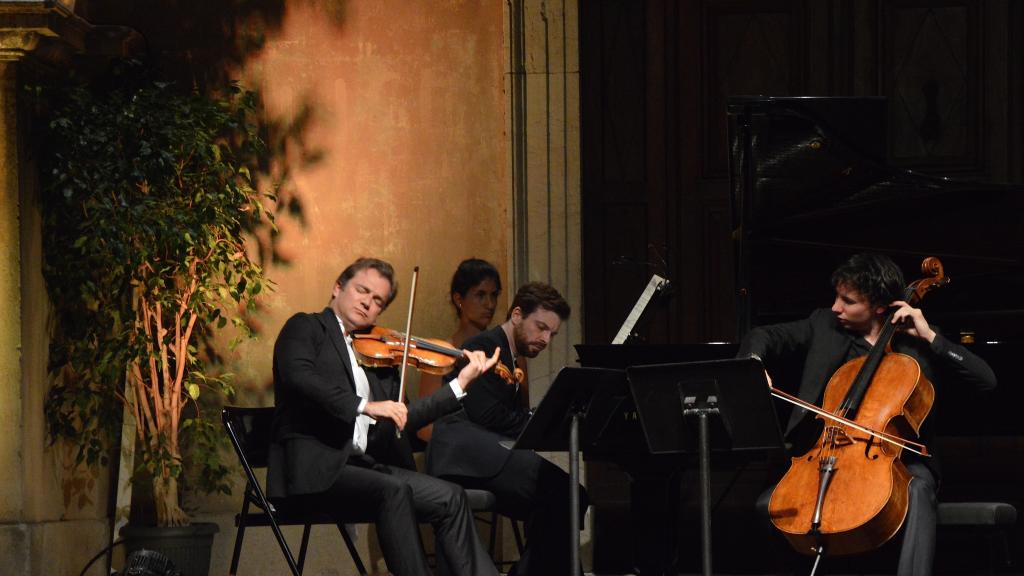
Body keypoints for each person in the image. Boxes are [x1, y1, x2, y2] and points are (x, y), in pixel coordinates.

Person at [739, 253, 996, 576]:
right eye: (836, 297)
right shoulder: (823, 325)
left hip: (900, 460)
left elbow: (986, 380)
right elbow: (762, 336)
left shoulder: (918, 341)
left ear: (878, 306)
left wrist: (931, 337)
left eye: (848, 301)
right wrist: (753, 363)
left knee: (917, 491)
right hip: (826, 457)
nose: (836, 307)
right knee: (767, 507)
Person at [265, 257, 502, 576]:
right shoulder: (306, 327)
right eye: (362, 290)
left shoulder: (378, 354)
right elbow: (299, 377)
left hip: (365, 467)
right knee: (393, 490)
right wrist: (363, 406)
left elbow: (407, 417)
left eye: (378, 300)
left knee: (451, 496)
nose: (367, 302)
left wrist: (461, 383)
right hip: (317, 467)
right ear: (338, 288)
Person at [426, 282, 588, 576]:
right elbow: (485, 414)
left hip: (488, 454)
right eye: (540, 327)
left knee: (566, 497)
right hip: (464, 457)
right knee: (564, 493)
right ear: (516, 314)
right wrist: (538, 420)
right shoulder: (481, 347)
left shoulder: (512, 358)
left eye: (551, 333)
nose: (545, 339)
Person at [418, 258, 506, 443]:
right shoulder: (440, 354)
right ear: (459, 299)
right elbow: (425, 429)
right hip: (456, 454)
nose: (490, 304)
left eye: (494, 295)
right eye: (480, 295)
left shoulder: (503, 350)